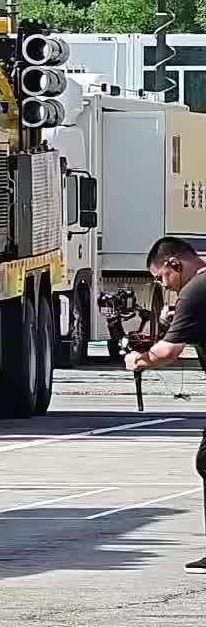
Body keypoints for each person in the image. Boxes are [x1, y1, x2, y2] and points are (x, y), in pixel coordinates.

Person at [126, 236, 206, 575]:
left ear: (174, 264)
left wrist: (138, 360)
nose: (164, 286)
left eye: (162, 278)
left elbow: (168, 353)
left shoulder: (195, 290)